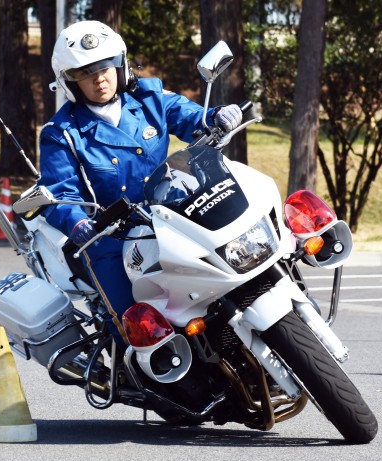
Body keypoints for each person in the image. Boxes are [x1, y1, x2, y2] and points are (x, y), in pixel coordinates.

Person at [38, 20, 242, 345]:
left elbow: (191, 117)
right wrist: (77, 224)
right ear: (69, 82)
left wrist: (216, 116)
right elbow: (59, 192)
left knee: (233, 270)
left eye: (104, 66)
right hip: (111, 239)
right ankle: (143, 372)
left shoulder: (150, 97)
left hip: (172, 217)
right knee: (139, 329)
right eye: (83, 73)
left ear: (119, 64)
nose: (98, 78)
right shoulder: (62, 132)